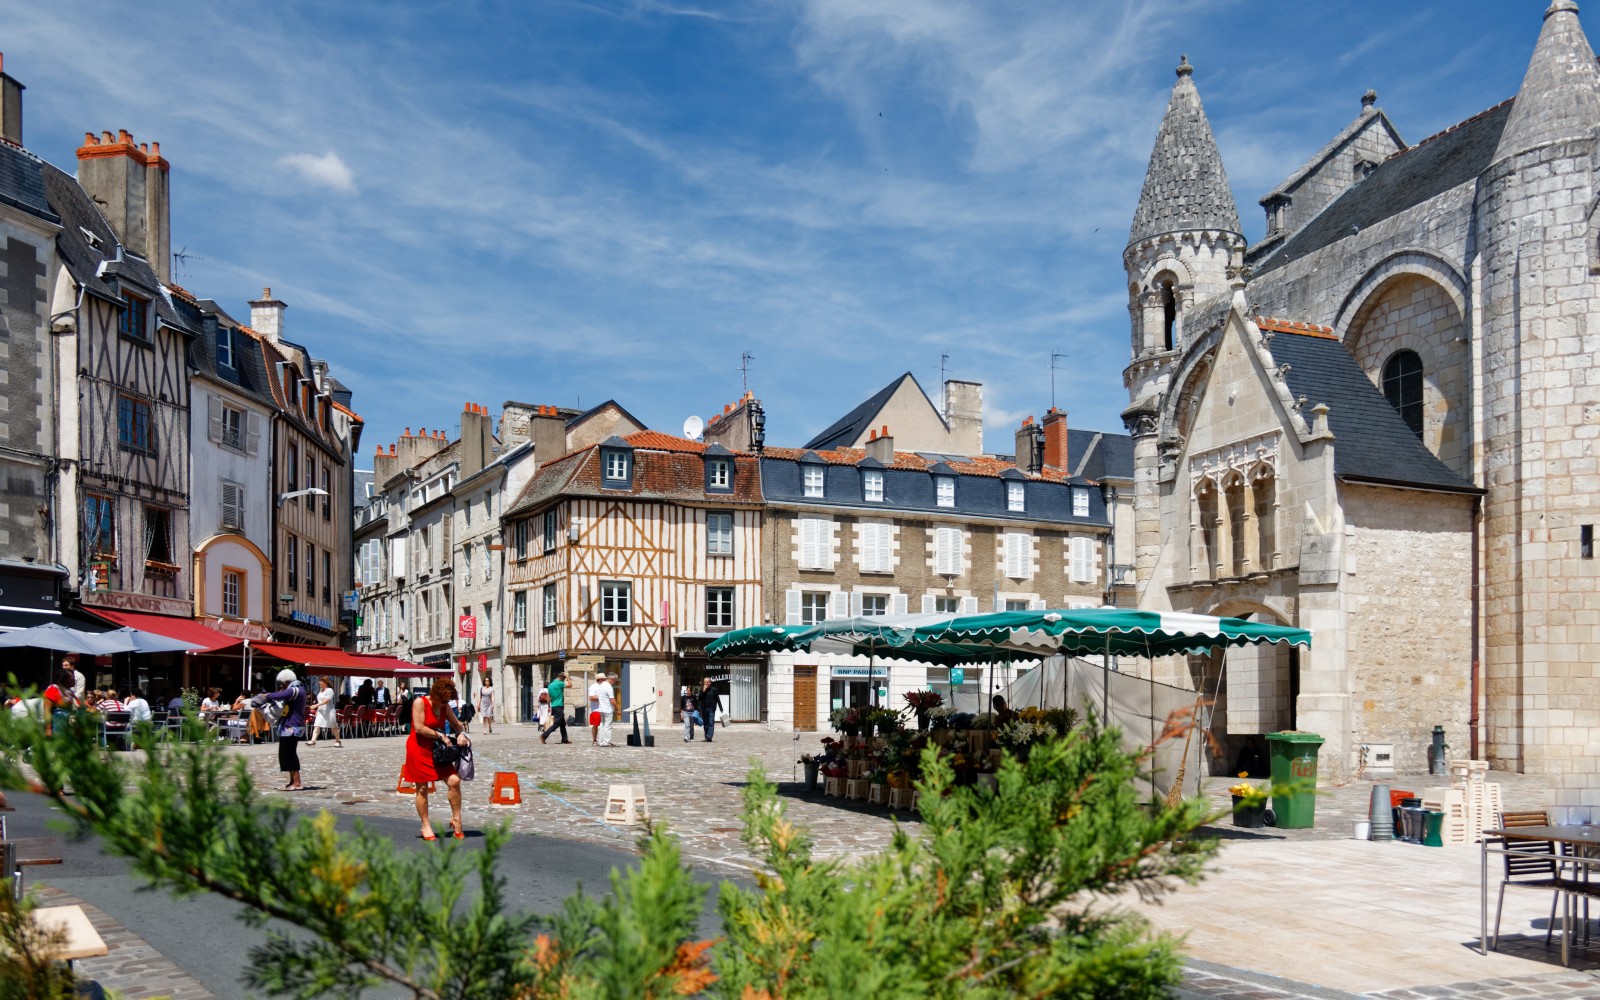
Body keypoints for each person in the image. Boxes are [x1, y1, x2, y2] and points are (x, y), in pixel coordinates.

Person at [403, 677, 469, 841]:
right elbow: (419, 728)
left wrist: (460, 734)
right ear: (435, 695)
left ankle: (456, 818)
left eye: (447, 700)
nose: (445, 703)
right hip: (419, 748)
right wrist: (440, 735)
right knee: (422, 788)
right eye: (443, 700)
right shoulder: (420, 702)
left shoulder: (445, 706)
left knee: (454, 781)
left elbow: (457, 724)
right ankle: (426, 825)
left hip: (437, 750)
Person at [258, 669, 308, 790]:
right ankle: (292, 781)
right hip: (289, 725)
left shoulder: (296, 689)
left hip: (293, 725)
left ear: (287, 681)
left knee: (289, 753)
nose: (282, 686)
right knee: (286, 753)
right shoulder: (297, 689)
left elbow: (281, 695)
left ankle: (297, 782)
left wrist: (266, 695)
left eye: (283, 683)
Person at [307, 677, 342, 747]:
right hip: (321, 711)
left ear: (326, 682)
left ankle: (338, 740)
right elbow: (320, 700)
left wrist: (316, 705)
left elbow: (326, 701)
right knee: (317, 725)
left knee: (333, 726)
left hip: (329, 711)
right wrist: (317, 709)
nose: (319, 682)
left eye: (321, 681)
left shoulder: (330, 690)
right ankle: (313, 741)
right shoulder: (321, 690)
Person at [42, 669, 77, 736]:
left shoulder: (70, 692)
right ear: (63, 680)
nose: (74, 680)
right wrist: (48, 729)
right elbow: (47, 711)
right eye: (72, 678)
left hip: (69, 729)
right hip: (57, 728)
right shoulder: (52, 689)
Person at [541, 672, 568, 744]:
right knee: (557, 723)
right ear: (562, 678)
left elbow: (548, 697)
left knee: (562, 724)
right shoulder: (560, 683)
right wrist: (567, 677)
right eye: (564, 679)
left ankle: (564, 739)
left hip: (554, 706)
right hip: (559, 705)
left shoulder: (550, 685)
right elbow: (570, 685)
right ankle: (544, 735)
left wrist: (549, 706)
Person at [596, 672, 616, 747]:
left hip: (601, 708)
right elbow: (612, 699)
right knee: (607, 726)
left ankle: (601, 741)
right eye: (614, 680)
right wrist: (617, 708)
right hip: (607, 709)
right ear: (612, 679)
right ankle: (606, 742)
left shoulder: (601, 685)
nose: (614, 682)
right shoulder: (609, 687)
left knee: (602, 725)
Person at [698, 677, 719, 743]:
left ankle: (709, 737)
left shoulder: (714, 689)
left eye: (707, 682)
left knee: (711, 722)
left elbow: (717, 699)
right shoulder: (702, 689)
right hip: (704, 708)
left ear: (710, 682)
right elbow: (699, 698)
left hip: (711, 709)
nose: (706, 683)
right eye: (705, 682)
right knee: (706, 723)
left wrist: (721, 707)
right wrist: (703, 691)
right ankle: (706, 737)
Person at [586, 674, 604, 746]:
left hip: (603, 708)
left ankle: (603, 740)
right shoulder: (593, 687)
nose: (605, 680)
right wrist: (602, 697)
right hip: (596, 709)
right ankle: (594, 740)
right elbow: (591, 697)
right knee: (595, 725)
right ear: (600, 679)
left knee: (604, 725)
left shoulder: (604, 687)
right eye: (604, 679)